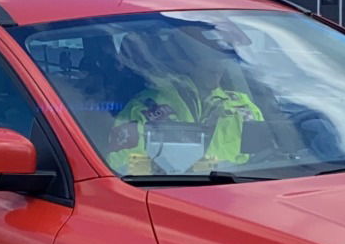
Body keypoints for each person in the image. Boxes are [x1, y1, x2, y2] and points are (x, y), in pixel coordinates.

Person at [105, 26, 261, 174]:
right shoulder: (146, 107)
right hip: (170, 194)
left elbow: (264, 158)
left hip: (239, 192)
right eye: (204, 56)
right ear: (182, 62)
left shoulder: (243, 106)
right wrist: (199, 169)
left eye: (218, 56)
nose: (215, 64)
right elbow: (123, 166)